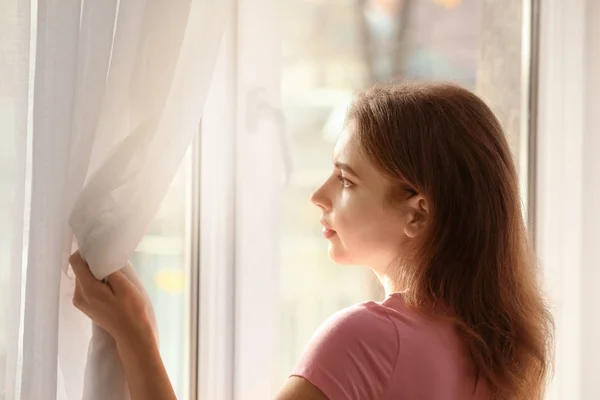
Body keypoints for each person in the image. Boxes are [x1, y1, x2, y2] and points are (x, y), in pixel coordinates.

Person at [70, 82, 554, 400]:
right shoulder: (501, 352)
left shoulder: (368, 339)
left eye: (346, 180)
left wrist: (136, 335)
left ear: (417, 211)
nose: (319, 196)